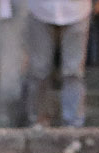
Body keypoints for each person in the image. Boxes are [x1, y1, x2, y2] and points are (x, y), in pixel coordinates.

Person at [25, 0, 92, 129]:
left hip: (78, 10)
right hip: (39, 9)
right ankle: (37, 120)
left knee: (74, 71)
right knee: (38, 70)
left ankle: (73, 123)